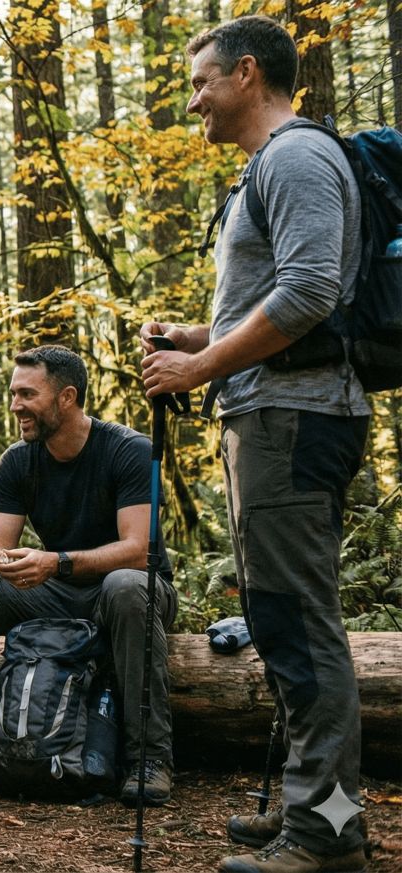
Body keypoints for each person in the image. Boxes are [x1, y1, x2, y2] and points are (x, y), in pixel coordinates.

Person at [141, 16, 369, 873]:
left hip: (294, 421)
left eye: (200, 82)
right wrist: (195, 336)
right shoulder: (268, 166)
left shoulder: (296, 157)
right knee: (281, 622)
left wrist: (198, 367)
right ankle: (321, 812)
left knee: (302, 628)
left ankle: (326, 834)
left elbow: (310, 294)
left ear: (246, 73)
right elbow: (276, 306)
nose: (192, 101)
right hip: (273, 415)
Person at [0, 346, 177, 807]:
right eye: (13, 394)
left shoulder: (128, 450)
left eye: (27, 394)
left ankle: (149, 759)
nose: (15, 405)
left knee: (125, 586)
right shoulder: (17, 461)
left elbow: (138, 552)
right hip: (56, 593)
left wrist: (55, 562)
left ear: (67, 397)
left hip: (132, 590)